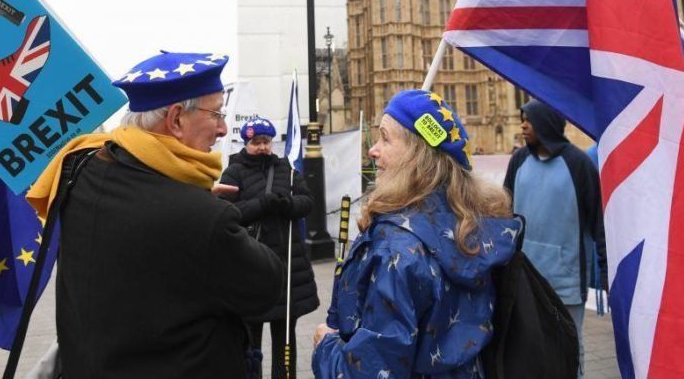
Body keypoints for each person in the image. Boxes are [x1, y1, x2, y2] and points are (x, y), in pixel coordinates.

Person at [27, 51, 284, 378]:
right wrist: (201, 204)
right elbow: (266, 287)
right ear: (176, 119)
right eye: (216, 114)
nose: (222, 129)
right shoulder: (203, 217)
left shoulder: (79, 170)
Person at [312, 89, 519, 377]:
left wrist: (327, 347)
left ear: (416, 155)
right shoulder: (476, 225)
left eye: (385, 138)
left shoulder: (396, 247)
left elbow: (370, 371)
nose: (373, 149)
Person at [504, 99, 608, 377]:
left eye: (529, 119)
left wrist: (607, 273)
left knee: (570, 342)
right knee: (529, 345)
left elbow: (599, 224)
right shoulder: (519, 161)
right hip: (526, 276)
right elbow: (504, 213)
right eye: (522, 118)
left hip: (567, 277)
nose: (523, 124)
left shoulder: (578, 164)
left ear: (547, 123)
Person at [219, 116, 319, 379]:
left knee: (285, 337)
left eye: (266, 141)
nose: (262, 147)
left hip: (287, 266)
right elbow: (228, 212)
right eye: (256, 142)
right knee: (251, 340)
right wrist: (262, 204)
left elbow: (307, 201)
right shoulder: (234, 171)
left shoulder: (287, 169)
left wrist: (288, 204)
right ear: (246, 143)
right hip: (251, 267)